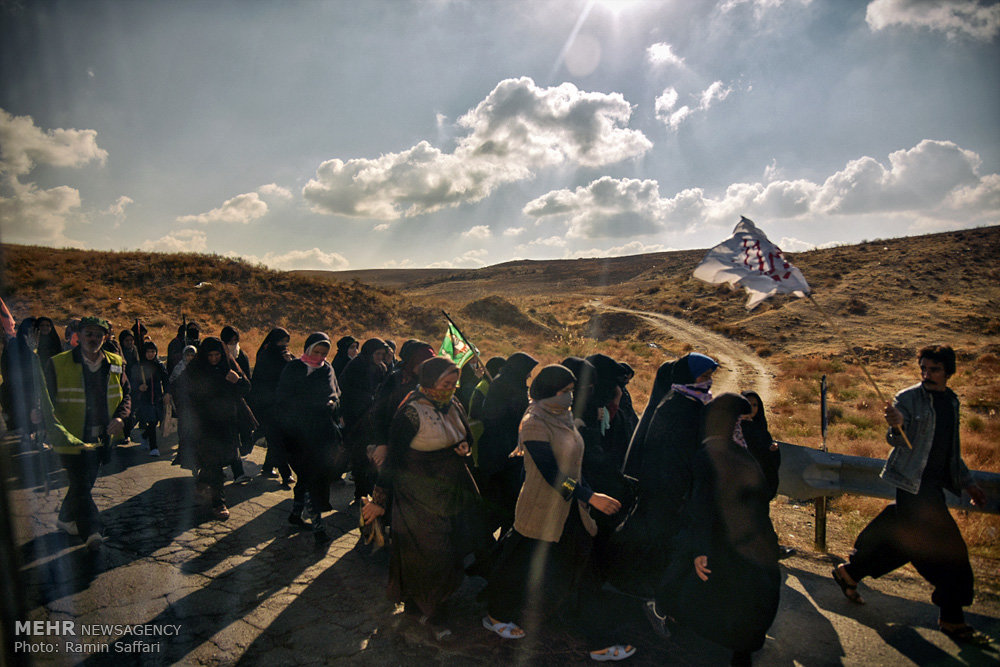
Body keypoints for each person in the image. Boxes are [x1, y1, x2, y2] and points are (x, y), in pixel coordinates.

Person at [832, 345, 989, 644]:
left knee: (905, 545)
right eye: (923, 369)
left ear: (948, 371)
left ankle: (850, 572)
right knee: (948, 553)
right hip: (911, 486)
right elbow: (895, 438)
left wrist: (969, 484)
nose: (927, 374)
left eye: (934, 369)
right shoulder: (907, 398)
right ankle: (952, 618)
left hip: (932, 489)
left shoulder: (952, 401)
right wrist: (897, 425)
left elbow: (951, 452)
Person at [483, 364, 635, 662]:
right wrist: (589, 496)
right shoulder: (534, 422)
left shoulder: (561, 416)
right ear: (548, 390)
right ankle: (496, 614)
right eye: (565, 391)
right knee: (521, 563)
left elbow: (574, 467)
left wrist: (586, 495)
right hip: (542, 508)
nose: (570, 396)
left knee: (578, 569)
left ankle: (597, 640)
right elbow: (552, 473)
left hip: (570, 509)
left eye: (572, 391)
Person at [645, 393, 781, 667]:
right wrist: (701, 548)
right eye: (736, 423)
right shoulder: (720, 454)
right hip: (729, 538)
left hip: (735, 538)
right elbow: (705, 505)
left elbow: (750, 498)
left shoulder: (724, 452)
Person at [368, 356, 487, 641]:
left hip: (453, 490)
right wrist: (378, 501)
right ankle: (433, 613)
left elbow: (466, 436)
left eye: (454, 384)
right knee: (431, 554)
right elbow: (394, 460)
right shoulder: (410, 413)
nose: (451, 389)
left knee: (452, 549)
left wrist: (464, 447)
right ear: (430, 381)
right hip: (418, 496)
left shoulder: (454, 404)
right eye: (446, 384)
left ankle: (423, 605)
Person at [609, 353, 718, 597]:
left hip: (672, 487)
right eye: (703, 376)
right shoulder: (678, 406)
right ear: (688, 376)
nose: (708, 381)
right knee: (651, 539)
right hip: (665, 486)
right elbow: (671, 453)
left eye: (710, 376)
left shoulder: (691, 403)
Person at [42, 316, 130, 548]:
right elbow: (44, 398)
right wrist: (37, 416)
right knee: (81, 482)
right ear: (78, 336)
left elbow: (126, 394)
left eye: (98, 335)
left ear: (106, 337)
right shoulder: (58, 363)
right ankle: (92, 531)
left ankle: (65, 519)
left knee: (83, 483)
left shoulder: (115, 362)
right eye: (89, 334)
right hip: (70, 437)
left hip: (101, 436)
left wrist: (121, 417)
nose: (93, 339)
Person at [274, 332, 346, 544]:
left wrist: (332, 403)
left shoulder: (327, 369)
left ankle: (297, 515)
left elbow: (335, 393)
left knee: (311, 478)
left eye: (324, 353)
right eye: (316, 351)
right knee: (308, 477)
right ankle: (318, 528)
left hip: (321, 434)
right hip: (296, 434)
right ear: (308, 349)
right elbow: (283, 398)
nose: (319, 357)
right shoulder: (294, 368)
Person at [185, 337, 250, 520]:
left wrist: (237, 381)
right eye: (210, 355)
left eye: (217, 355)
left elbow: (246, 387)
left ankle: (202, 482)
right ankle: (218, 502)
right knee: (213, 463)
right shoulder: (196, 369)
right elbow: (186, 394)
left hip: (226, 422)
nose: (214, 359)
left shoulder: (229, 365)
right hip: (205, 424)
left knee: (221, 459)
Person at [477, 351, 538, 534]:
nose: (529, 376)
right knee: (500, 503)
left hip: (506, 452)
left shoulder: (509, 383)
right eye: (527, 372)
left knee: (507, 504)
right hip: (500, 455)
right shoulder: (505, 386)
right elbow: (495, 416)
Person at [339, 338, 390, 502]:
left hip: (372, 419)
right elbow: (345, 391)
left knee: (371, 457)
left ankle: (367, 490)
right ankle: (360, 492)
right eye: (377, 354)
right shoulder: (356, 366)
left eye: (382, 354)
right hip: (356, 418)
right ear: (369, 352)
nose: (380, 357)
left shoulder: (381, 368)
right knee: (360, 456)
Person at [250, 327, 295, 486]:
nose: (283, 345)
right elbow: (261, 382)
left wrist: (290, 362)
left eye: (286, 342)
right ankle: (286, 473)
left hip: (282, 405)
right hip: (267, 405)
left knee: (277, 438)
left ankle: (268, 467)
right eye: (281, 341)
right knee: (276, 439)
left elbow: (297, 374)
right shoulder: (265, 356)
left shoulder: (287, 356)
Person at [221, 325, 254, 484]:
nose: (233, 344)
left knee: (236, 439)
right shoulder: (217, 358)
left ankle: (237, 471)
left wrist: (238, 381)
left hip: (237, 404)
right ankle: (233, 471)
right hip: (218, 407)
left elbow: (247, 382)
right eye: (230, 341)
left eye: (236, 341)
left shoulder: (242, 356)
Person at [128, 340, 168, 457]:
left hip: (157, 398)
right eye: (148, 352)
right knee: (151, 421)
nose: (151, 354)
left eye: (153, 351)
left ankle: (145, 436)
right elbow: (131, 382)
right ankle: (154, 447)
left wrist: (167, 393)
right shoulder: (139, 366)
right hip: (144, 399)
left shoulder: (159, 365)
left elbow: (165, 380)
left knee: (155, 421)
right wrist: (139, 387)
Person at [169, 345, 198, 471]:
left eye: (192, 355)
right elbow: (173, 383)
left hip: (196, 406)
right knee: (184, 432)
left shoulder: (199, 368)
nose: (190, 358)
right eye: (188, 355)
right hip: (183, 404)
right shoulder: (179, 368)